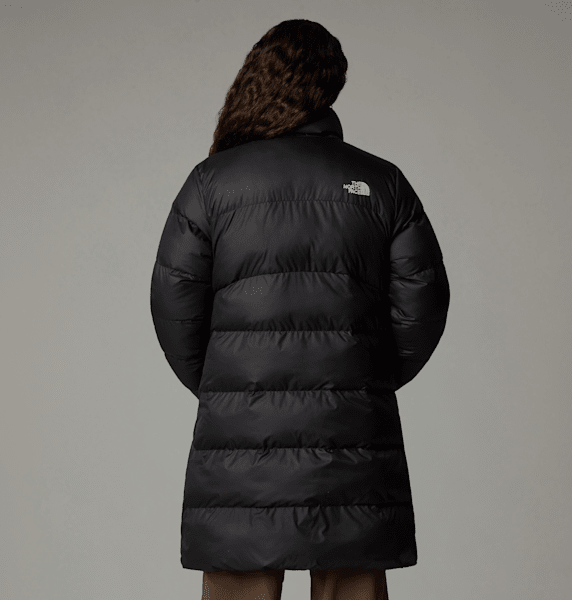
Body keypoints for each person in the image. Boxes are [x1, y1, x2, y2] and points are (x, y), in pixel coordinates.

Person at [150, 18, 450, 600]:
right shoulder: (381, 182)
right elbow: (423, 305)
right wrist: (361, 379)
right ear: (329, 87)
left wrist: (229, 388)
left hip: (240, 445)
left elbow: (173, 306)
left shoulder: (211, 184)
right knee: (351, 583)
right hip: (352, 438)